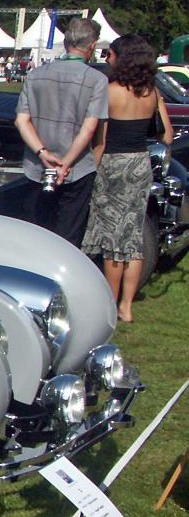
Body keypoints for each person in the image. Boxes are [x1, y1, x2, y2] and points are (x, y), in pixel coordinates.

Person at [81, 35, 172, 322]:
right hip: (139, 164)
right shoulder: (153, 93)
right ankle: (127, 306)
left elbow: (100, 141)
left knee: (111, 239)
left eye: (111, 54)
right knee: (131, 237)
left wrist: (88, 173)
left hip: (113, 165)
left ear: (123, 58)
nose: (108, 58)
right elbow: (167, 135)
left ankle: (110, 302)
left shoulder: (110, 92)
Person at [14, 18, 109, 247]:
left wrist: (42, 151)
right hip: (77, 169)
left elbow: (21, 120)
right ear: (92, 46)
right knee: (68, 239)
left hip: (37, 166)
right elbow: (89, 129)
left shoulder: (36, 75)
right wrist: (65, 164)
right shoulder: (97, 80)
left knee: (36, 235)